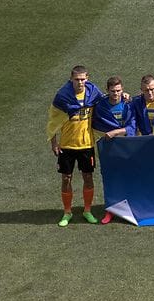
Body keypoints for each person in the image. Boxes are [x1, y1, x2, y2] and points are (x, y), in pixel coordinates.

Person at [46, 65, 103, 227]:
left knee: (88, 177)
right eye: (77, 79)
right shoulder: (62, 97)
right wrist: (54, 142)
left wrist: (125, 97)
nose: (80, 82)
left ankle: (87, 210)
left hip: (86, 144)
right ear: (71, 79)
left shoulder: (93, 94)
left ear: (88, 78)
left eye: (83, 79)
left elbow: (106, 104)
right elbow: (53, 120)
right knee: (66, 178)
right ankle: (67, 212)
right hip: (67, 146)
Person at [91, 76, 136, 224]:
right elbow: (95, 124)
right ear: (107, 91)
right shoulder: (101, 106)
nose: (116, 94)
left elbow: (132, 127)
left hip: (127, 147)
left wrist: (116, 132)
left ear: (122, 90)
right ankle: (110, 210)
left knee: (129, 176)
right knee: (110, 178)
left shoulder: (128, 104)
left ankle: (132, 205)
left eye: (118, 90)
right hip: (109, 148)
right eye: (112, 91)